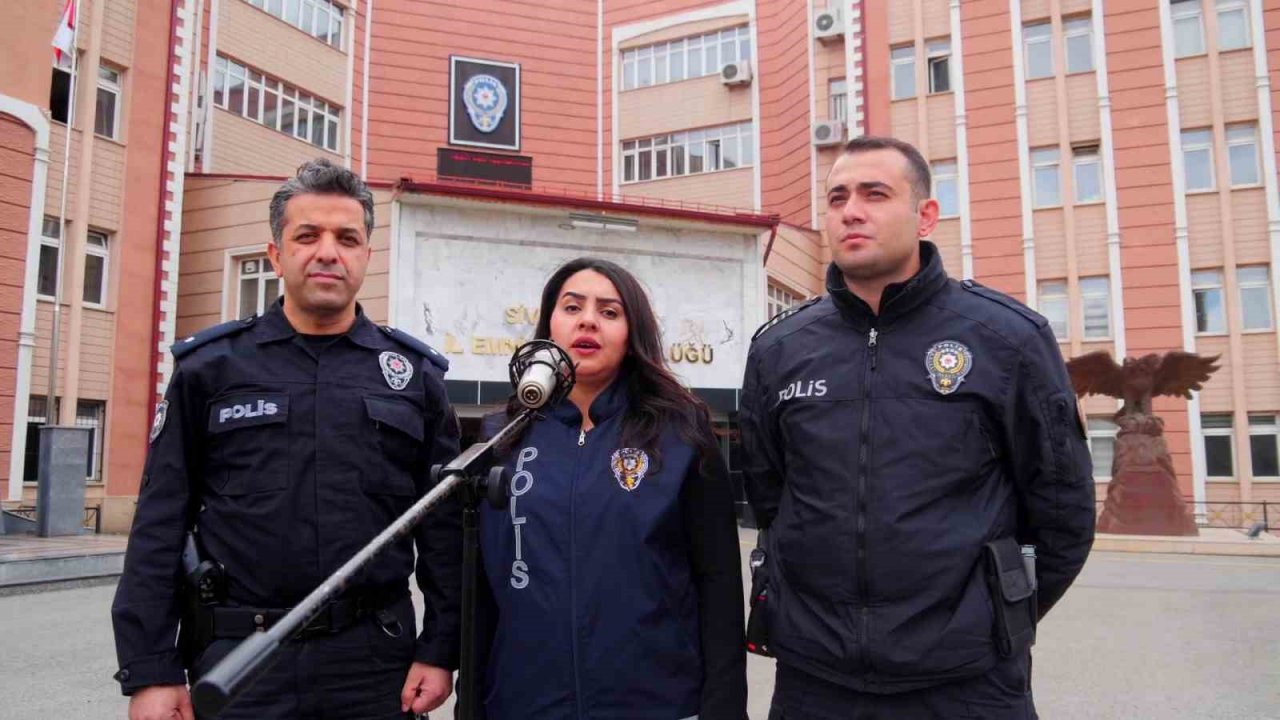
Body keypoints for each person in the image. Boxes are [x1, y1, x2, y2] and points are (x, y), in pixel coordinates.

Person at [740, 136, 1096, 719]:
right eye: (837, 198)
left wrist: (987, 616)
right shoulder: (779, 349)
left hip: (967, 684)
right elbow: (771, 499)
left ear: (926, 215)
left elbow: (1062, 511)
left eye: (875, 194)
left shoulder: (1008, 340)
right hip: (816, 680)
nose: (851, 210)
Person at [111, 159, 462, 720]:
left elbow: (444, 531)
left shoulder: (412, 378)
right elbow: (160, 521)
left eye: (347, 238)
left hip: (373, 665)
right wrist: (151, 669)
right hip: (239, 662)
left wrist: (442, 648)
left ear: (366, 256)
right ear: (276, 254)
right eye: (307, 235)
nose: (328, 251)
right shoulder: (210, 369)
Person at [474, 257, 747, 720]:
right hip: (526, 702)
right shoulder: (501, 437)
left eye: (609, 311)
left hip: (656, 702)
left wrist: (724, 706)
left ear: (631, 333)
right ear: (549, 325)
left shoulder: (680, 431)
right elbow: (482, 584)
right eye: (572, 306)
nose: (587, 320)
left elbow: (718, 580)